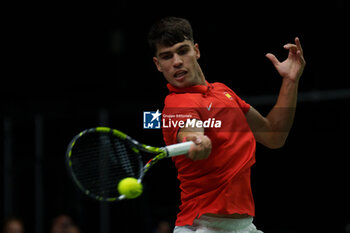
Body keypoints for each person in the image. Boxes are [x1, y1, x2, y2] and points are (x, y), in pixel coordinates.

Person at [148, 17, 305, 233]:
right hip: (202, 227)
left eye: (182, 51)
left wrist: (290, 80)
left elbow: (273, 135)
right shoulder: (176, 105)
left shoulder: (224, 92)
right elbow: (190, 131)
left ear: (196, 51)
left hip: (244, 226)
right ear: (158, 64)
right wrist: (196, 141)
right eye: (167, 56)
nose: (176, 62)